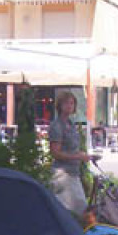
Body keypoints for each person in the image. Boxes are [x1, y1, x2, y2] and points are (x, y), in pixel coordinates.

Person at [47, 90, 95, 220]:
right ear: (59, 106)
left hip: (74, 172)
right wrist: (78, 157)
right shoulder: (57, 126)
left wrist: (83, 155)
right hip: (63, 174)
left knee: (79, 211)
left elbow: (72, 149)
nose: (69, 106)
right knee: (77, 211)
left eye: (72, 103)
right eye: (66, 103)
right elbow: (55, 153)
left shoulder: (71, 124)